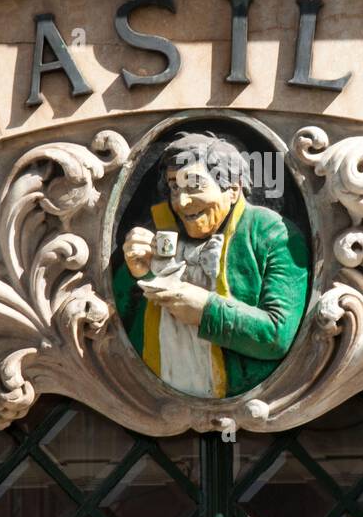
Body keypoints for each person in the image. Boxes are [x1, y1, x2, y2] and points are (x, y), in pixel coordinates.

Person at [112, 132, 309, 398]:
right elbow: (117, 323)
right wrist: (137, 274)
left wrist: (206, 311)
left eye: (194, 186)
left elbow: (277, 335)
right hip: (154, 399)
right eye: (174, 188)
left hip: (250, 401)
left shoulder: (272, 233)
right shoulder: (159, 232)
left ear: (233, 190)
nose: (181, 202)